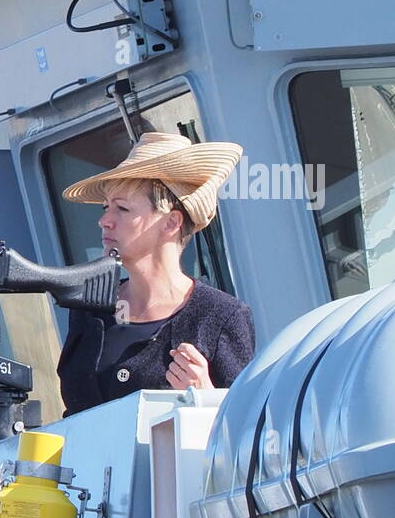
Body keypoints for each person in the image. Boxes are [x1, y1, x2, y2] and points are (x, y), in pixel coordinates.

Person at [55, 132, 255, 417]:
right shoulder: (89, 309)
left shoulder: (221, 316)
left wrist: (208, 397)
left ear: (171, 222)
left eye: (122, 208)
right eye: (105, 208)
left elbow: (244, 430)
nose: (104, 221)